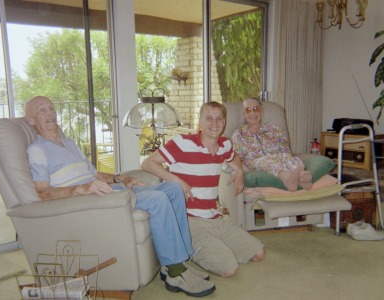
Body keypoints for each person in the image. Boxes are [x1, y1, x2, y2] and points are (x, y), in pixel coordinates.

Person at [24, 96, 215, 297]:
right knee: (157, 200)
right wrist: (80, 189)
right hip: (85, 202)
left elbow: (94, 174)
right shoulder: (37, 150)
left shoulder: (69, 143)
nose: (50, 113)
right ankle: (176, 273)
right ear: (31, 120)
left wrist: (119, 178)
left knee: (173, 189)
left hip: (104, 191)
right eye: (42, 110)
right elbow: (43, 192)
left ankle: (180, 260)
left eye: (51, 108)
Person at [141, 101, 265, 278]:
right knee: (229, 269)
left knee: (259, 253)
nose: (214, 123)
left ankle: (214, 245)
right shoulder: (182, 143)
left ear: (224, 123)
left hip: (215, 218)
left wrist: (239, 171)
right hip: (190, 222)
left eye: (219, 119)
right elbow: (147, 163)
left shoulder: (225, 145)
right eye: (208, 118)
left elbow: (234, 157)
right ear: (199, 121)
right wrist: (176, 181)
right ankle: (189, 249)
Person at [231, 98, 313, 192]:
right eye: (248, 110)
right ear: (244, 113)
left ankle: (302, 176)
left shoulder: (272, 128)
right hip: (256, 162)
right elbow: (236, 156)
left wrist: (286, 157)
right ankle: (286, 178)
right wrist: (240, 169)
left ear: (261, 111)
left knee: (288, 157)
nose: (252, 113)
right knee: (268, 160)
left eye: (256, 109)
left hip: (277, 157)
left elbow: (284, 147)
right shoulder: (239, 134)